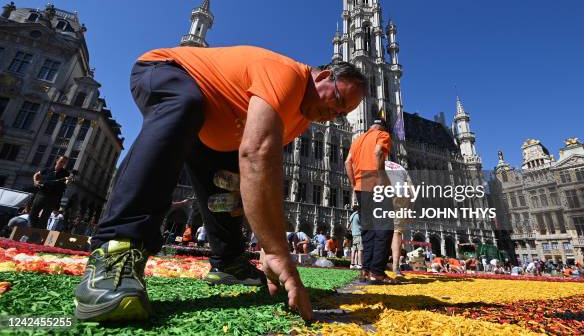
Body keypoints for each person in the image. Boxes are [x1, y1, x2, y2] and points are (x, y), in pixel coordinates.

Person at [74, 45, 365, 321]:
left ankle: (228, 262)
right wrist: (278, 251)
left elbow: (261, 176)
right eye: (338, 102)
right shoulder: (288, 76)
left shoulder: (301, 118)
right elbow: (257, 154)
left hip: (212, 129)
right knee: (184, 104)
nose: (334, 116)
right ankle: (116, 247)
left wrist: (267, 242)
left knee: (228, 186)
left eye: (342, 114)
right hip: (164, 71)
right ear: (325, 76)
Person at [345, 119, 398, 284]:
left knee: (368, 230)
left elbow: (347, 162)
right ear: (382, 127)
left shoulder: (357, 139)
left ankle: (365, 271)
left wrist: (354, 183)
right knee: (384, 228)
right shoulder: (382, 135)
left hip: (361, 187)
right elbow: (377, 152)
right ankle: (377, 272)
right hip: (377, 184)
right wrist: (382, 177)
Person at [29, 156, 70, 229]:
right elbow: (36, 174)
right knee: (32, 214)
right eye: (61, 161)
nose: (62, 163)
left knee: (45, 217)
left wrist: (68, 180)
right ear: (57, 160)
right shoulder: (48, 169)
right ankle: (32, 229)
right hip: (41, 194)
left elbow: (67, 180)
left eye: (64, 162)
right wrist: (35, 181)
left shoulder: (66, 173)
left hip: (53, 197)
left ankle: (38, 233)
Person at [348, 205, 363, 271]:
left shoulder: (351, 216)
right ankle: (360, 264)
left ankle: (352, 264)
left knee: (354, 249)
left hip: (353, 234)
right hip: (359, 234)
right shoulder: (358, 215)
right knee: (360, 249)